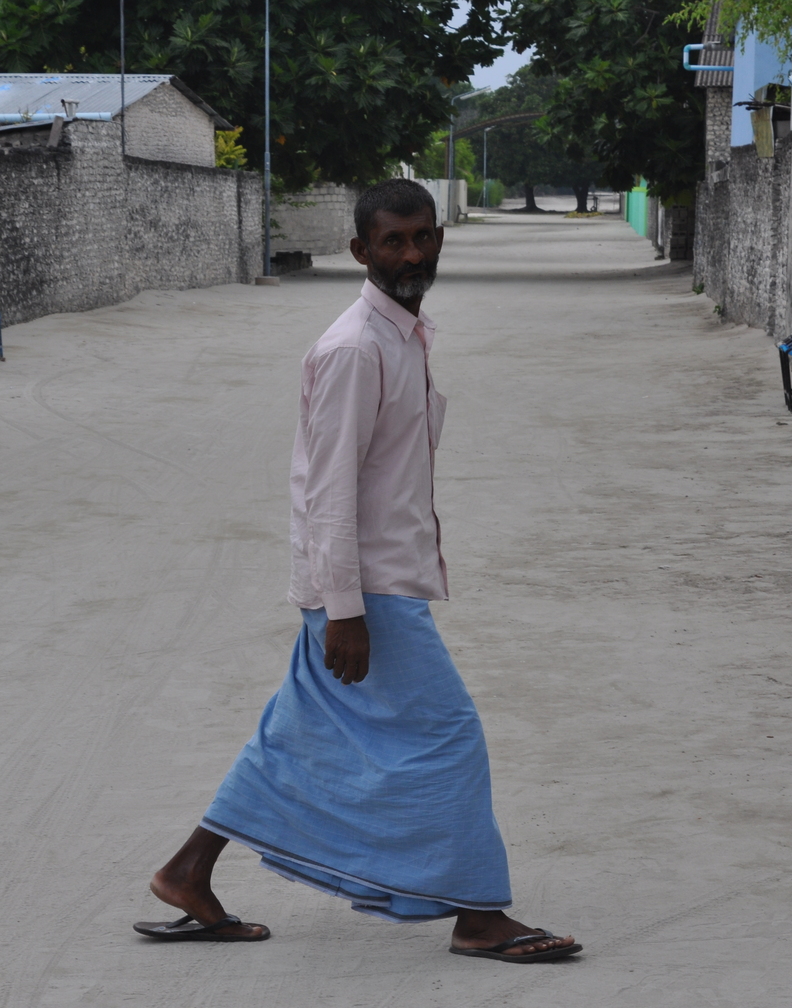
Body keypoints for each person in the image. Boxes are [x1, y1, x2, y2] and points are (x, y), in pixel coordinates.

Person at [134, 178, 580, 963]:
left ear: (438, 237)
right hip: (365, 591)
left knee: (292, 737)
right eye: (393, 242)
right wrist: (344, 609)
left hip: (375, 578)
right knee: (450, 736)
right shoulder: (354, 348)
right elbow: (327, 490)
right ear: (359, 252)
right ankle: (478, 916)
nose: (411, 254)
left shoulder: (405, 334)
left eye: (422, 237)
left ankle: (185, 871)